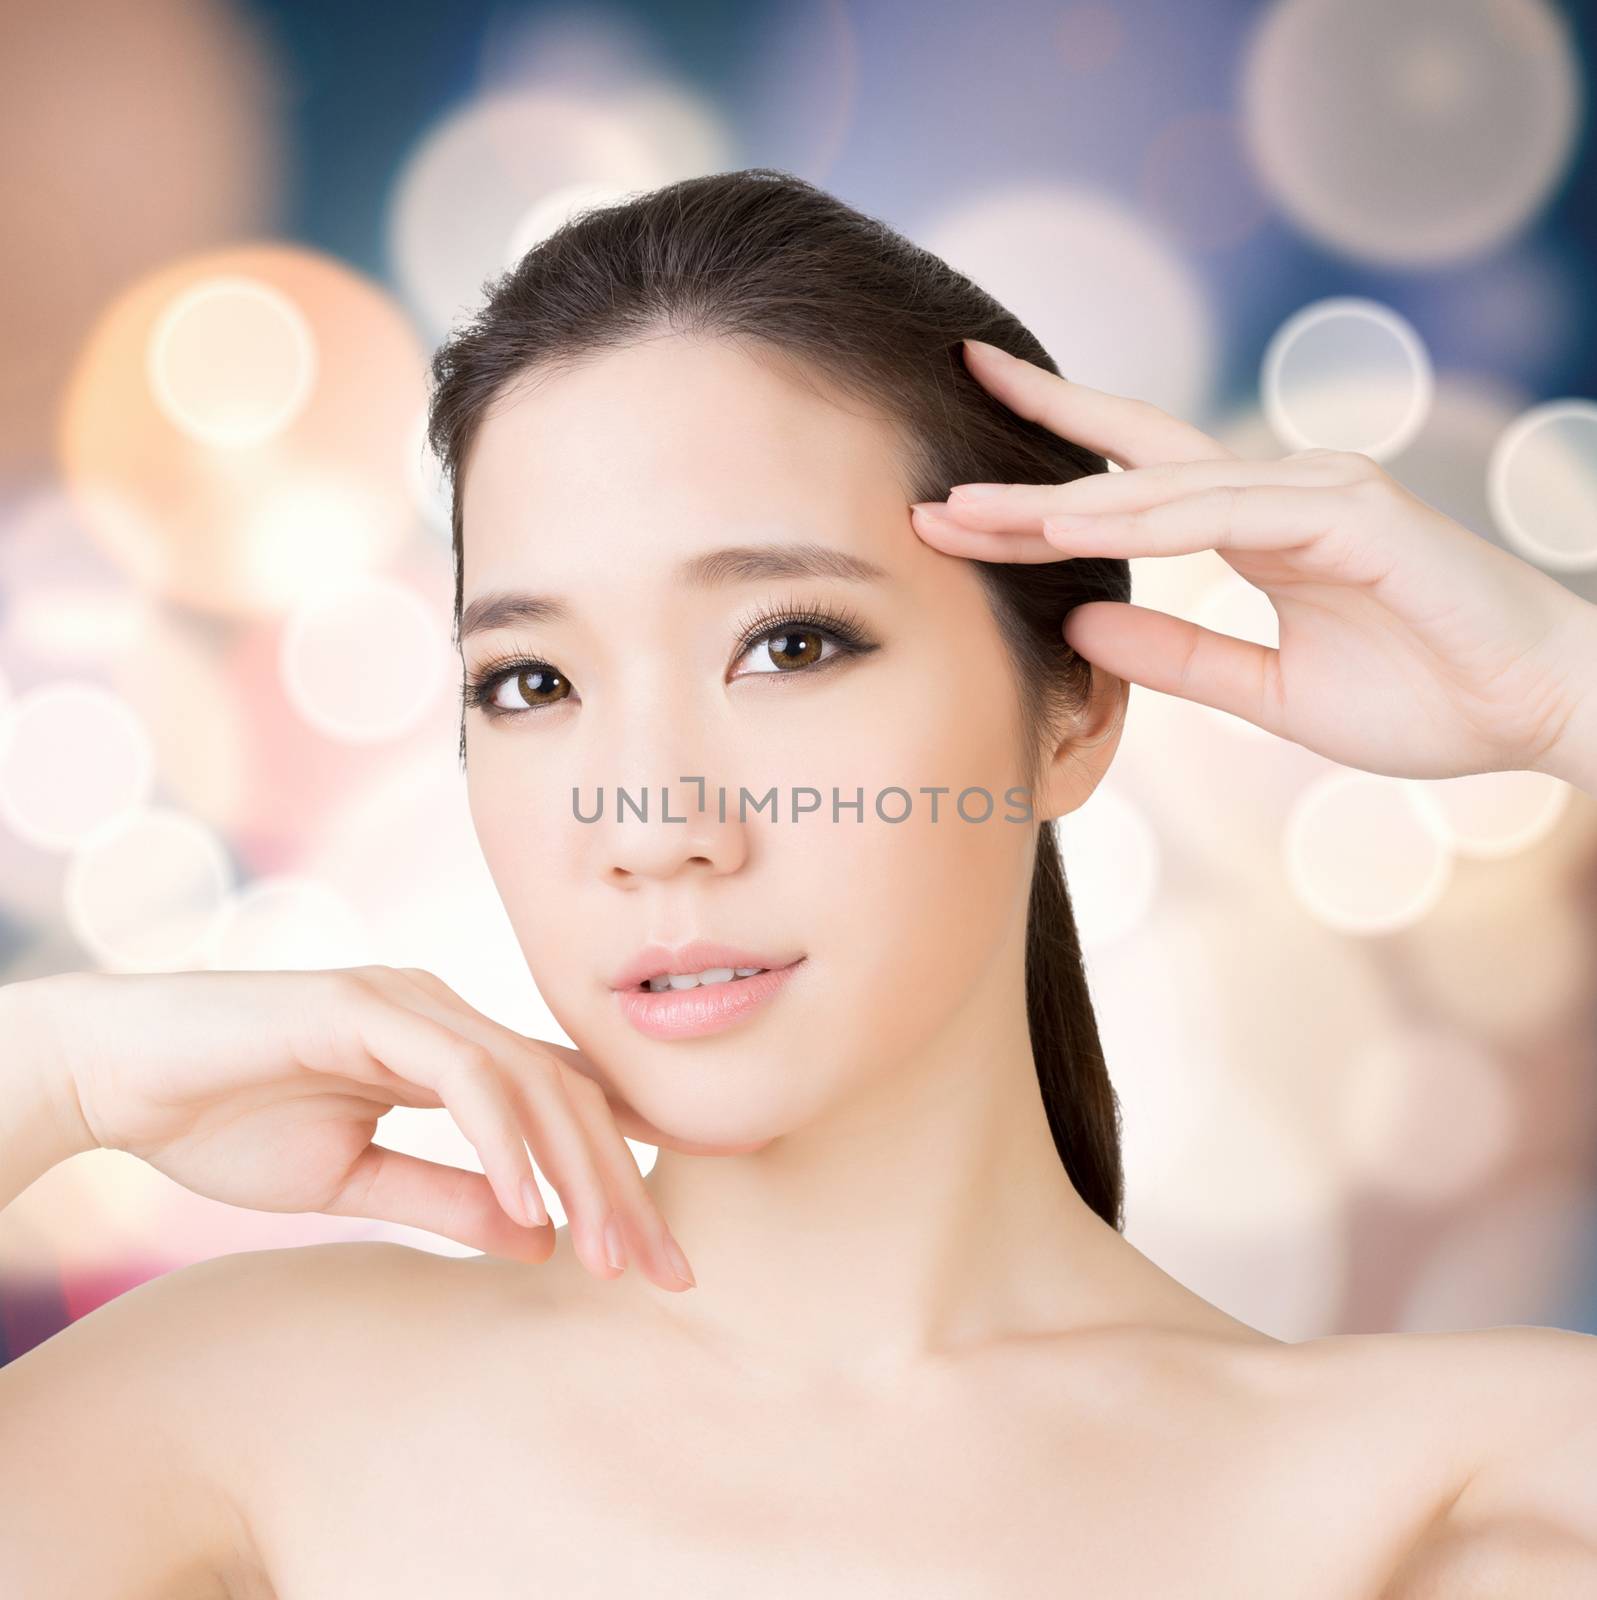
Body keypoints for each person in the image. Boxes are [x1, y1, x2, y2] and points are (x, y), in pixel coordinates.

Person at [2, 167, 1596, 1597]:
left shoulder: (1448, 1490)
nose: (652, 823)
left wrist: (1562, 696)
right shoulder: (242, 1419)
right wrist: (50, 1071)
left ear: (1076, 707)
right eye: (533, 682)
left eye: (790, 643)